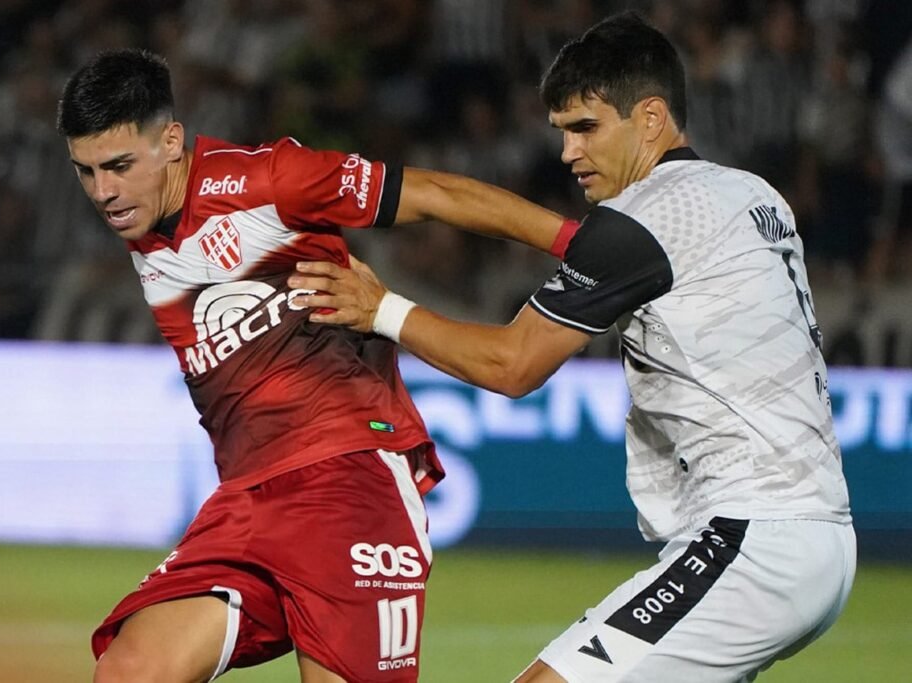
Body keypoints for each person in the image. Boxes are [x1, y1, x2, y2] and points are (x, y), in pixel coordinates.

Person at [289, 12, 856, 683]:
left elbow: (512, 364)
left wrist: (380, 309)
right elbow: (640, 270)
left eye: (586, 127)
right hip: (817, 532)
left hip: (754, 539)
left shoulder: (642, 221)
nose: (567, 152)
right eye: (561, 131)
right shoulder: (754, 195)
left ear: (651, 118)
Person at [56, 48, 563, 683]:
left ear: (172, 142)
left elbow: (437, 195)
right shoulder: (145, 219)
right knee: (131, 670)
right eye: (86, 171)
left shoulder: (271, 180)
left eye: (119, 166)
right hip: (246, 498)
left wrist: (577, 243)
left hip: (347, 480)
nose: (103, 192)